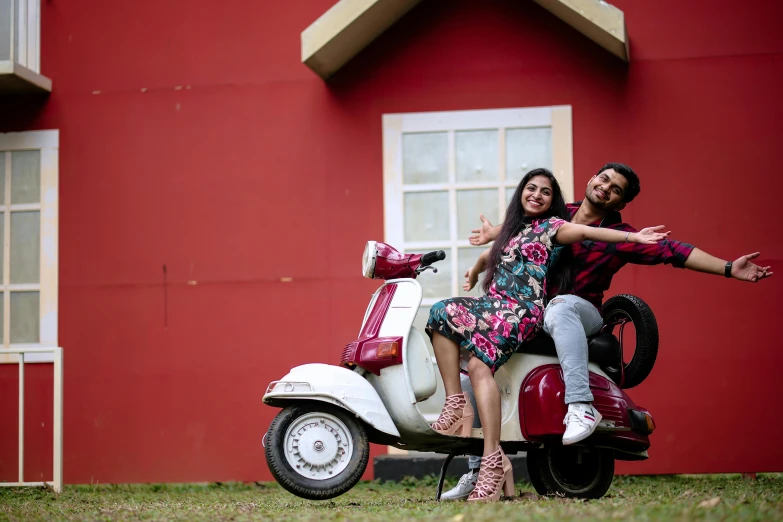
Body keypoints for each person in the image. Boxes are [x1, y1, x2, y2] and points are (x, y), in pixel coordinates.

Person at [440, 162, 773, 501]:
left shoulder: (619, 235)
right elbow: (519, 228)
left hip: (579, 312)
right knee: (476, 364)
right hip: (533, 312)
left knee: (561, 306)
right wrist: (487, 246)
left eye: (616, 190)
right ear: (591, 180)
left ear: (619, 203)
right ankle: (480, 467)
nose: (606, 188)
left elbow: (674, 252)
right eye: (604, 180)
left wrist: (730, 268)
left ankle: (581, 405)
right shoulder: (558, 212)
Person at [426, 167, 670, 502]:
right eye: (531, 188)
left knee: (478, 363)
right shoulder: (515, 230)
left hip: (520, 310)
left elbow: (588, 232)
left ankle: (492, 461)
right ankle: (461, 412)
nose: (537, 195)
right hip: (493, 304)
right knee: (441, 316)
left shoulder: (553, 226)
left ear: (553, 201)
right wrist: (477, 269)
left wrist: (632, 237)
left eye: (546, 191)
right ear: (521, 193)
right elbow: (491, 252)